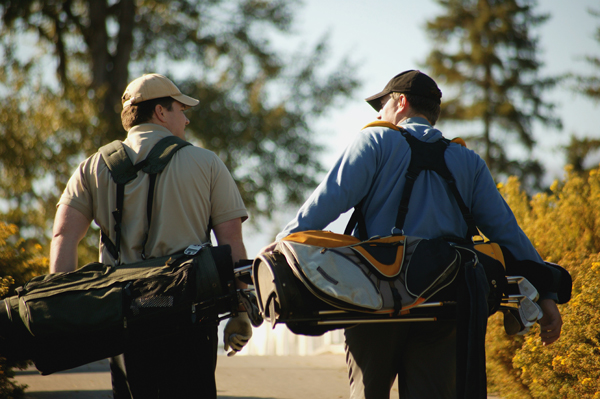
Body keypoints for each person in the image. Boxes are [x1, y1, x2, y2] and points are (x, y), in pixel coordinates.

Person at [263, 70, 562, 398]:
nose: (378, 115)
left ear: (401, 102)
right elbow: (507, 233)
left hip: (376, 298)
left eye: (382, 105)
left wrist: (272, 258)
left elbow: (322, 207)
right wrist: (546, 294)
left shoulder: (375, 140)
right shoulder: (468, 161)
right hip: (445, 301)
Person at [50, 73, 253, 398]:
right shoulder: (207, 163)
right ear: (160, 111)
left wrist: (61, 315)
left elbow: (63, 236)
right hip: (190, 316)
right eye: (180, 109)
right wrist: (241, 312)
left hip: (123, 318)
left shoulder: (92, 167)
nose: (186, 118)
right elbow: (231, 242)